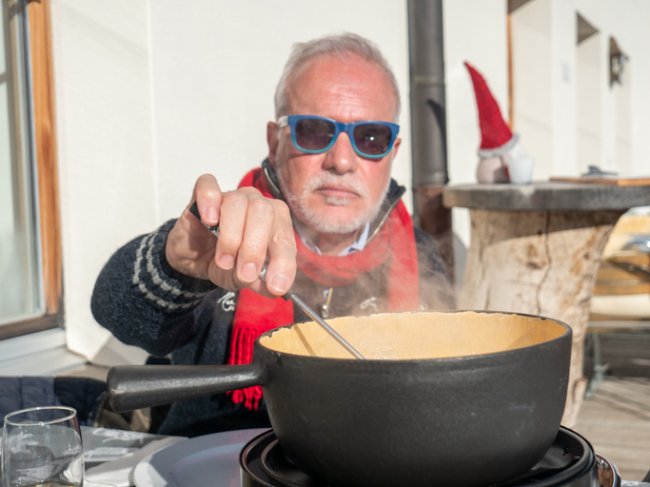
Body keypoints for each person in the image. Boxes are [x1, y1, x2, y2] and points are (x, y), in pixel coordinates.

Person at [91, 32, 454, 437]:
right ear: (274, 140)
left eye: (371, 138)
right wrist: (175, 261)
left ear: (393, 152)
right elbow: (116, 311)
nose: (342, 160)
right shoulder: (229, 233)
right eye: (315, 131)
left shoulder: (418, 253)